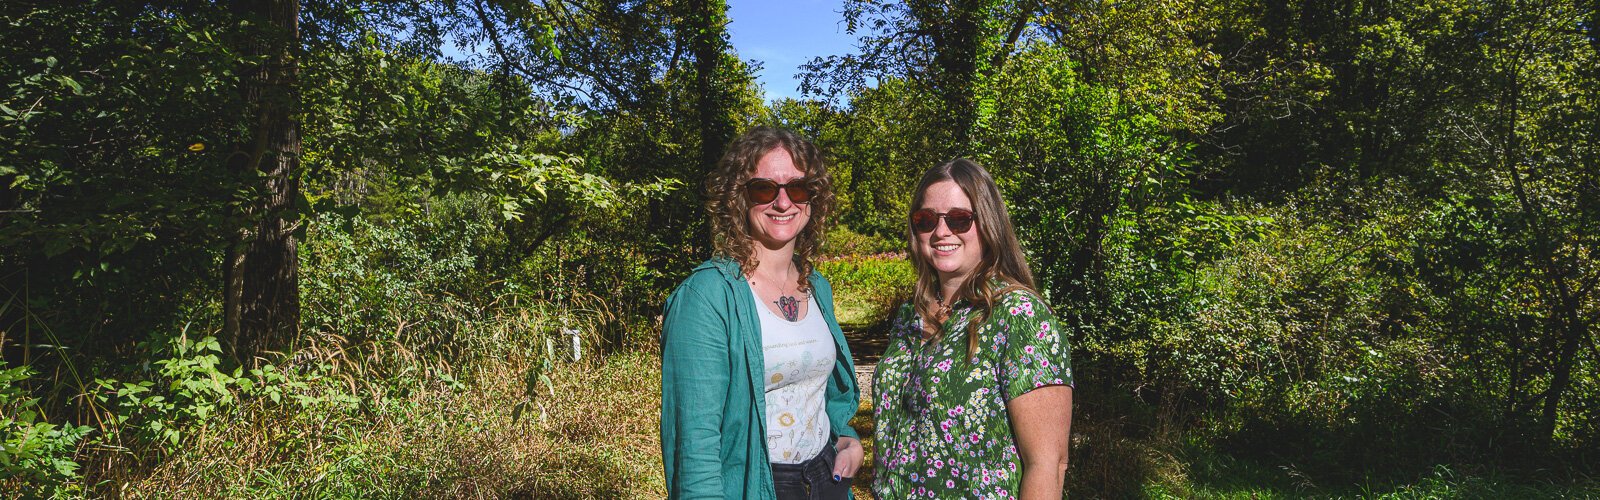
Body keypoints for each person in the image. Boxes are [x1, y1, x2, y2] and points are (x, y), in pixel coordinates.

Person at [660, 126, 863, 499]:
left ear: (813, 198)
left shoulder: (816, 285)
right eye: (764, 189)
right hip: (755, 483)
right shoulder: (706, 297)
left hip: (824, 478)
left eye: (797, 188)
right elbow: (694, 445)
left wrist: (847, 437)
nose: (783, 203)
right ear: (738, 197)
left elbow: (827, 390)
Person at [872, 158, 1074, 499]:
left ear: (988, 224)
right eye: (926, 220)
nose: (941, 232)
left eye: (959, 219)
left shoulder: (1017, 315)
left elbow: (1048, 464)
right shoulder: (909, 318)